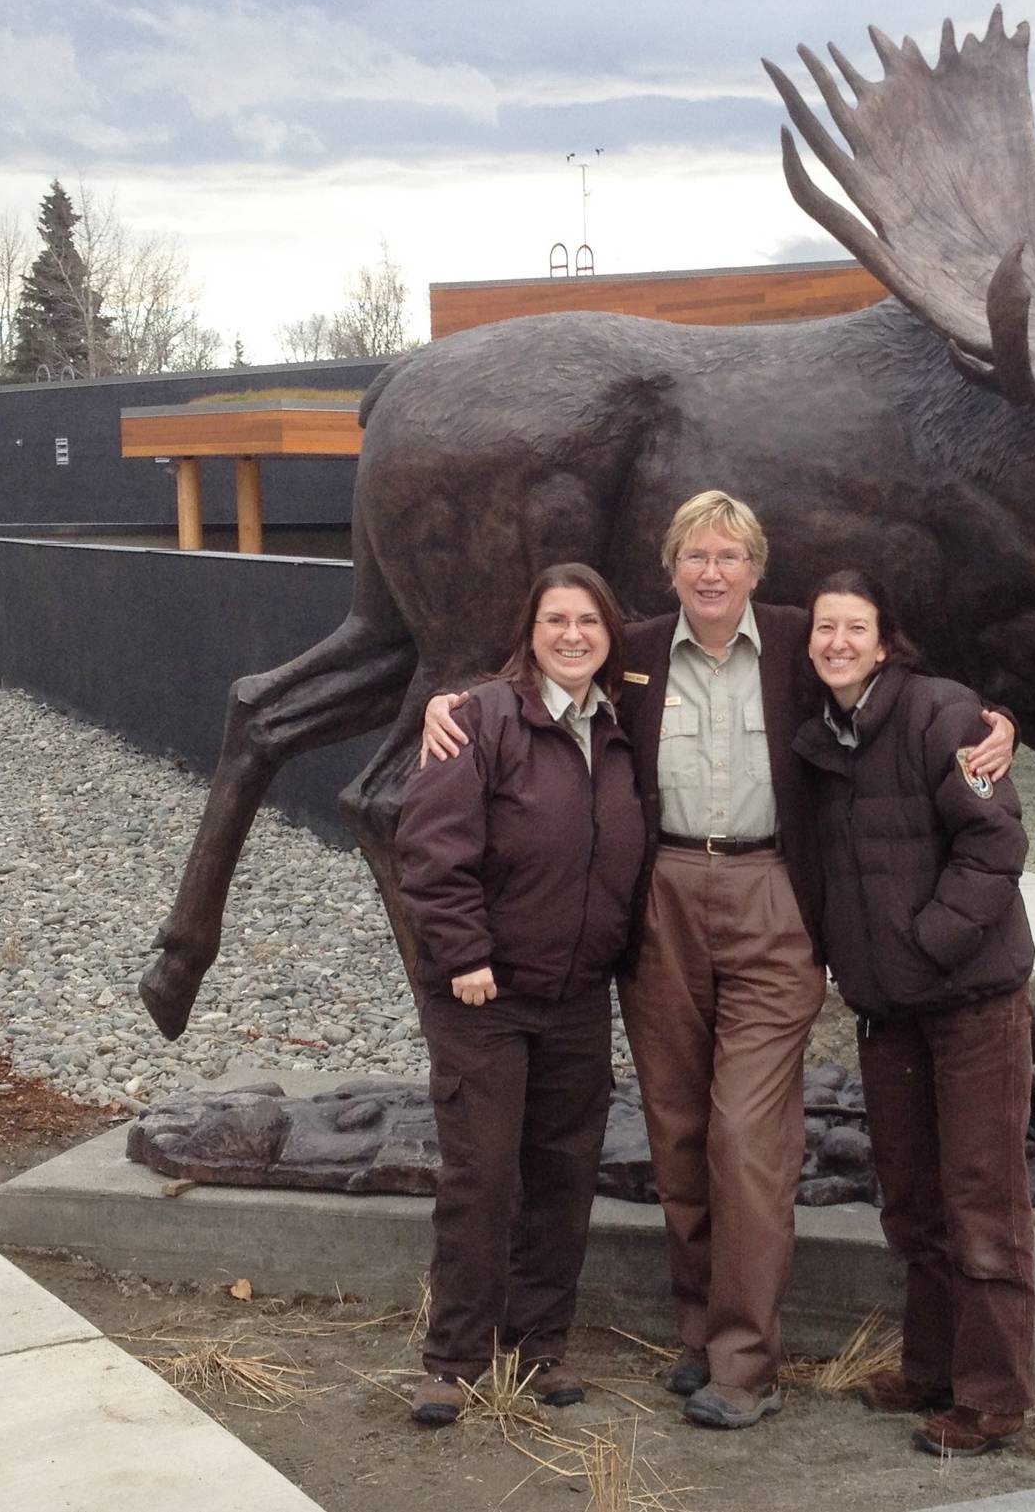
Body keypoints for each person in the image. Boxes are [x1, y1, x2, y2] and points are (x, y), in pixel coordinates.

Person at [421, 492, 1015, 1429]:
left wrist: (995, 723)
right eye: (694, 554)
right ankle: (697, 1333)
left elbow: (898, 685)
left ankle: (746, 1359)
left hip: (771, 895)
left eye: (729, 556)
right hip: (660, 903)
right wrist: (445, 703)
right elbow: (542, 672)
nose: (711, 572)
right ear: (670, 568)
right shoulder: (637, 651)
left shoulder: (798, 642)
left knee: (748, 1133)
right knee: (679, 1126)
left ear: (755, 569)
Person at [790, 570, 1035, 1459]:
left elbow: (996, 841)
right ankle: (931, 1366)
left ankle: (994, 1394)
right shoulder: (821, 736)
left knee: (983, 1196)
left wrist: (929, 941)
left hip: (969, 999)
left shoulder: (942, 714)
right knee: (914, 1201)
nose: (839, 642)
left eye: (856, 628)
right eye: (825, 628)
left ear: (885, 641)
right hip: (887, 1011)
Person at [394, 562, 647, 1427]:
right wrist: (465, 952)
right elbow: (429, 848)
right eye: (555, 620)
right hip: (484, 997)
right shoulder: (479, 719)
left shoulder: (617, 728)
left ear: (611, 635)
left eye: (588, 621)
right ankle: (455, 1357)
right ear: (529, 632)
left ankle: (539, 1346)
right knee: (484, 1172)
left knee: (565, 1171)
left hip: (577, 994)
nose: (572, 634)